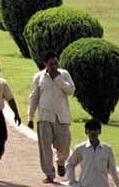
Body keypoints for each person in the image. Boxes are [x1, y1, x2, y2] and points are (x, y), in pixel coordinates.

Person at [30, 52, 76, 182]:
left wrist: (58, 80)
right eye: (51, 64)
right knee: (45, 147)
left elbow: (71, 91)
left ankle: (61, 162)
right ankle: (49, 173)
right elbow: (34, 97)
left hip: (62, 116)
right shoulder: (39, 77)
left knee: (64, 145)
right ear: (45, 64)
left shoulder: (64, 74)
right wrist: (30, 116)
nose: (54, 66)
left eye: (56, 63)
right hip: (44, 116)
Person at [64, 119, 119, 187]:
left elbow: (112, 169)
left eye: (95, 130)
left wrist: (118, 184)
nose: (93, 132)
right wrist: (72, 182)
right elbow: (70, 164)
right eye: (90, 130)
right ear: (86, 132)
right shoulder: (80, 149)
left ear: (99, 131)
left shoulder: (107, 150)